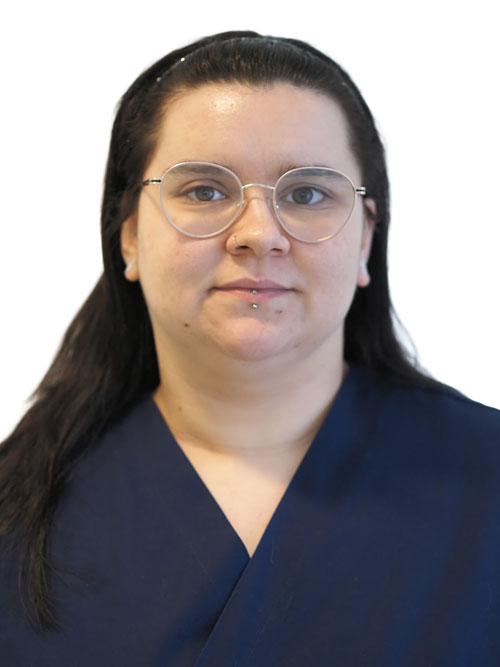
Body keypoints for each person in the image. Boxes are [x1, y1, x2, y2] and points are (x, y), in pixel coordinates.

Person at [1, 30, 499, 666]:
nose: (259, 234)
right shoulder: (14, 510)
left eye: (308, 193)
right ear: (128, 237)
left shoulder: (487, 477)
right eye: (204, 191)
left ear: (366, 240)